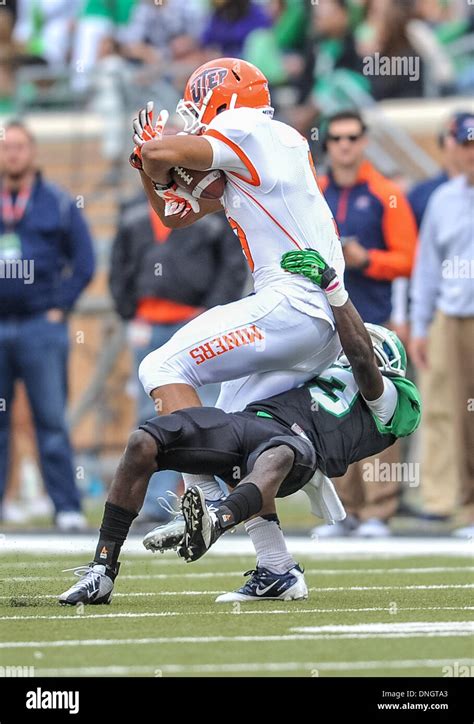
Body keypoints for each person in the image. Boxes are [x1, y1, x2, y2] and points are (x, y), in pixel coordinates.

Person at [58, 249, 420, 605]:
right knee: (144, 441)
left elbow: (360, 358)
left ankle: (217, 518)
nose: (350, 346)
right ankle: (102, 570)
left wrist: (333, 287)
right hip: (250, 426)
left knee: (276, 454)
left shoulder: (384, 401)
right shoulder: (316, 365)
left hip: (300, 450)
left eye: (365, 344)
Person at [129, 58, 344, 570]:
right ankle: (276, 567)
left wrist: (148, 151)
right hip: (321, 317)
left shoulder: (244, 127)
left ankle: (197, 497)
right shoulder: (271, 142)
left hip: (290, 302)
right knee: (238, 433)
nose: (194, 119)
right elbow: (173, 214)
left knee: (160, 367)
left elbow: (161, 151)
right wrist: (148, 168)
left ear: (217, 98)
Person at [109, 191, 247, 521]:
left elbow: (232, 265)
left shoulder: (211, 208)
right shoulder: (132, 211)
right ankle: (158, 502)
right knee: (152, 413)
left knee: (205, 410)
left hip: (194, 324)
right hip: (149, 324)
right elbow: (119, 266)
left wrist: (210, 315)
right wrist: (132, 312)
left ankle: (214, 501)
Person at [317, 109, 417, 537]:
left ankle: (378, 510)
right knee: (334, 410)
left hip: (373, 319)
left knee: (379, 409)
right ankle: (347, 511)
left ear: (363, 141)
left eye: (351, 137)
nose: (343, 145)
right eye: (336, 138)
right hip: (328, 322)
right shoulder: (315, 192)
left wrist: (367, 261)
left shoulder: (385, 193)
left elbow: (408, 259)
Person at [0, 120, 95, 530]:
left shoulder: (57, 202)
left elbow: (85, 262)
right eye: (7, 147)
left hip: (42, 325)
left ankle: (66, 507)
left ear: (33, 152)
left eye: (20, 146)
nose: (13, 154)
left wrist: (61, 307)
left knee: (51, 419)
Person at [410, 112, 474, 538]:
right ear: (452, 147)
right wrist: (419, 323)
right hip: (453, 318)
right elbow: (427, 267)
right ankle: (464, 506)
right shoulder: (443, 199)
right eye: (466, 144)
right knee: (452, 413)